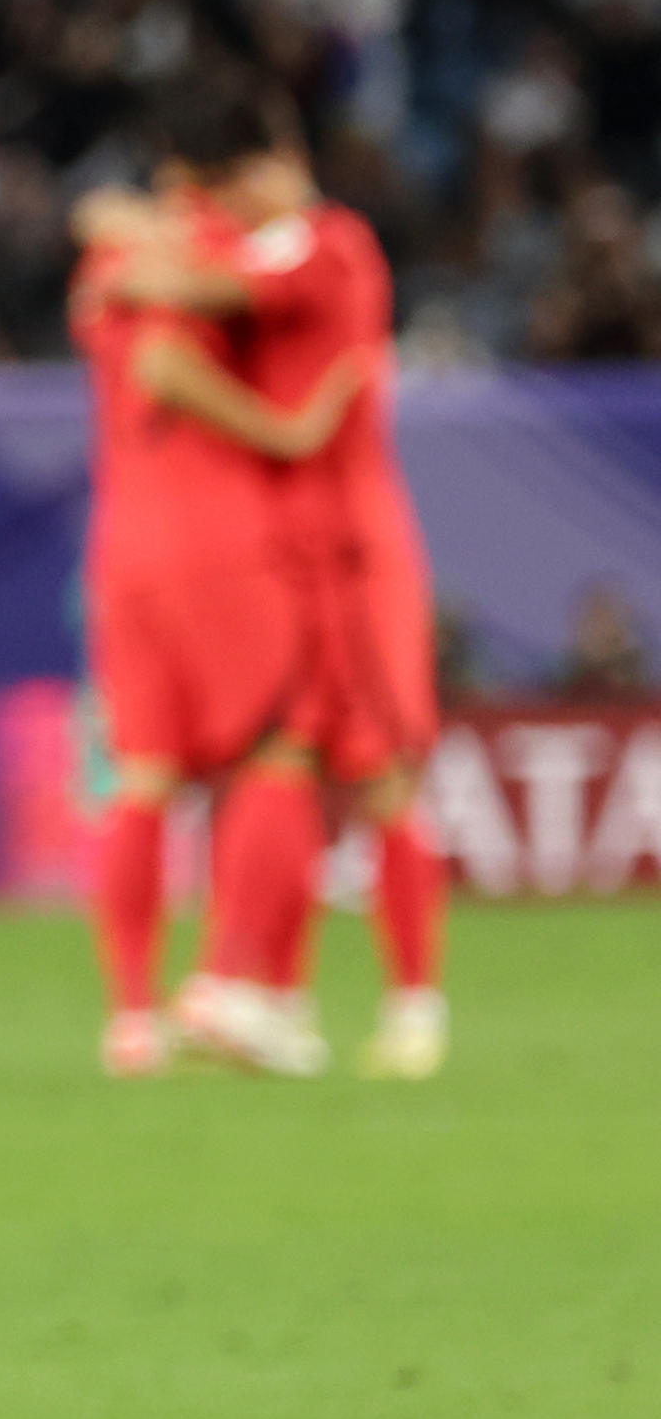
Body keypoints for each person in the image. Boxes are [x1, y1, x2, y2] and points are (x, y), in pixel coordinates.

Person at [87, 112, 445, 1078]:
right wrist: (284, 434)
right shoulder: (214, 245)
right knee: (272, 761)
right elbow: (163, 305)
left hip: (334, 552)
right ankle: (249, 992)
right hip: (257, 549)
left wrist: (124, 241)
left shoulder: (331, 245)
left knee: (354, 771)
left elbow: (153, 276)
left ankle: (403, 1005)